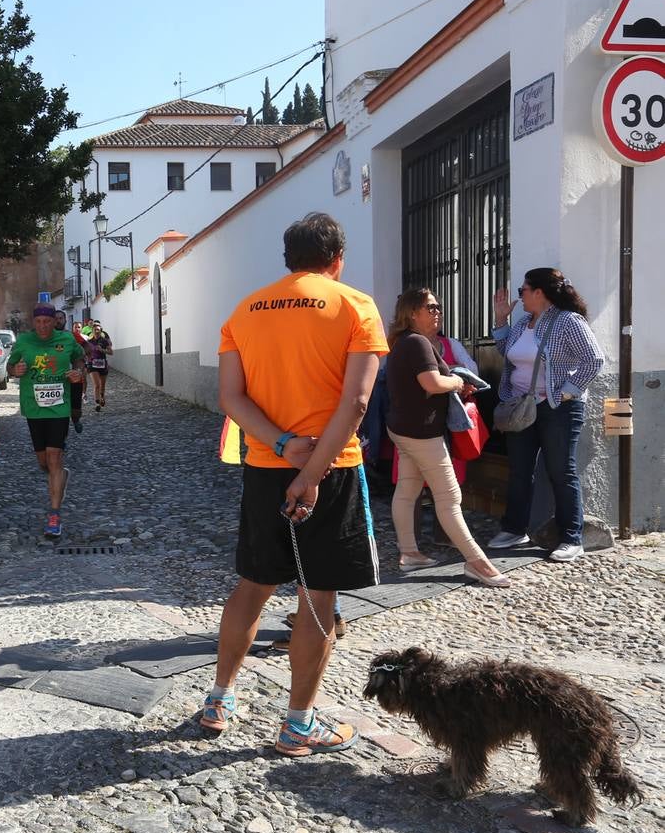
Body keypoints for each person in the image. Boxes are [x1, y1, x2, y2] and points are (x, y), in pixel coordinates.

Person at [201, 212, 387, 756]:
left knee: (253, 585)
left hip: (264, 467)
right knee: (317, 596)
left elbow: (231, 400)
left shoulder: (245, 310)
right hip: (331, 470)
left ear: (288, 259)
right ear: (337, 259)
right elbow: (355, 402)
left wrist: (282, 446)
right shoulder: (355, 306)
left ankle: (219, 698)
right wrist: (310, 473)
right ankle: (299, 724)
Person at [385, 288, 509, 587]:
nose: (437, 311)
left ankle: (409, 552)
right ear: (412, 313)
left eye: (438, 307)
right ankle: (477, 562)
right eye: (430, 307)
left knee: (408, 488)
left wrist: (448, 384)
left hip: (404, 428)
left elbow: (424, 385)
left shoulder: (405, 342)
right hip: (422, 432)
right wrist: (456, 381)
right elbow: (431, 381)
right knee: (449, 497)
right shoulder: (417, 343)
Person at [488, 268, 604, 561]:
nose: (520, 297)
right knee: (519, 471)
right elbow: (507, 351)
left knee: (561, 472)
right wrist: (501, 319)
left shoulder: (568, 321)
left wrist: (565, 392)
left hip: (558, 409)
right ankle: (515, 529)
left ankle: (571, 537)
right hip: (521, 407)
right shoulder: (524, 323)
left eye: (522, 291)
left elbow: (594, 359)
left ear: (539, 292)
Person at [7, 305, 86, 537]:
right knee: (44, 462)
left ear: (54, 322)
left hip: (59, 408)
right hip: (33, 408)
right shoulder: (24, 341)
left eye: (47, 321)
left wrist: (78, 372)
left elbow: (80, 360)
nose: (42, 326)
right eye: (38, 321)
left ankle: (54, 515)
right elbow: (11, 366)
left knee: (54, 457)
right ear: (34, 322)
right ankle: (60, 475)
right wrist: (16, 370)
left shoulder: (67, 340)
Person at [59, 312, 85, 434]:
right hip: (57, 379)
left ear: (65, 320)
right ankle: (60, 435)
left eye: (61, 318)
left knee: (75, 408)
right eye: (56, 318)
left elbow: (88, 347)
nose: (58, 321)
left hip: (75, 378)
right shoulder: (46, 338)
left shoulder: (72, 335)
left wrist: (78, 364)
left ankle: (76, 420)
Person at [85, 321, 113, 411]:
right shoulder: (89, 342)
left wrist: (102, 350)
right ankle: (97, 403)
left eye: (98, 329)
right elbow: (85, 353)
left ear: (101, 331)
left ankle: (102, 398)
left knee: (102, 385)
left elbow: (111, 352)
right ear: (92, 331)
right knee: (97, 385)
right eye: (95, 329)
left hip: (102, 364)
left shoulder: (104, 341)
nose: (96, 331)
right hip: (92, 365)